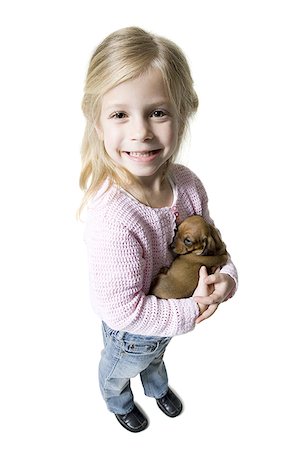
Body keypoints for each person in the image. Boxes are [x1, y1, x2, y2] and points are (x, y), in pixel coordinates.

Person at [79, 26, 238, 433]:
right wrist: (192, 309)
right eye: (120, 114)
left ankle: (156, 387)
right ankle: (116, 399)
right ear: (98, 124)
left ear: (182, 115)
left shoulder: (186, 184)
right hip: (128, 335)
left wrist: (226, 281)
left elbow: (217, 249)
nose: (141, 131)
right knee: (121, 368)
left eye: (158, 112)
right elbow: (121, 310)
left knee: (156, 359)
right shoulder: (112, 216)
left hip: (166, 327)